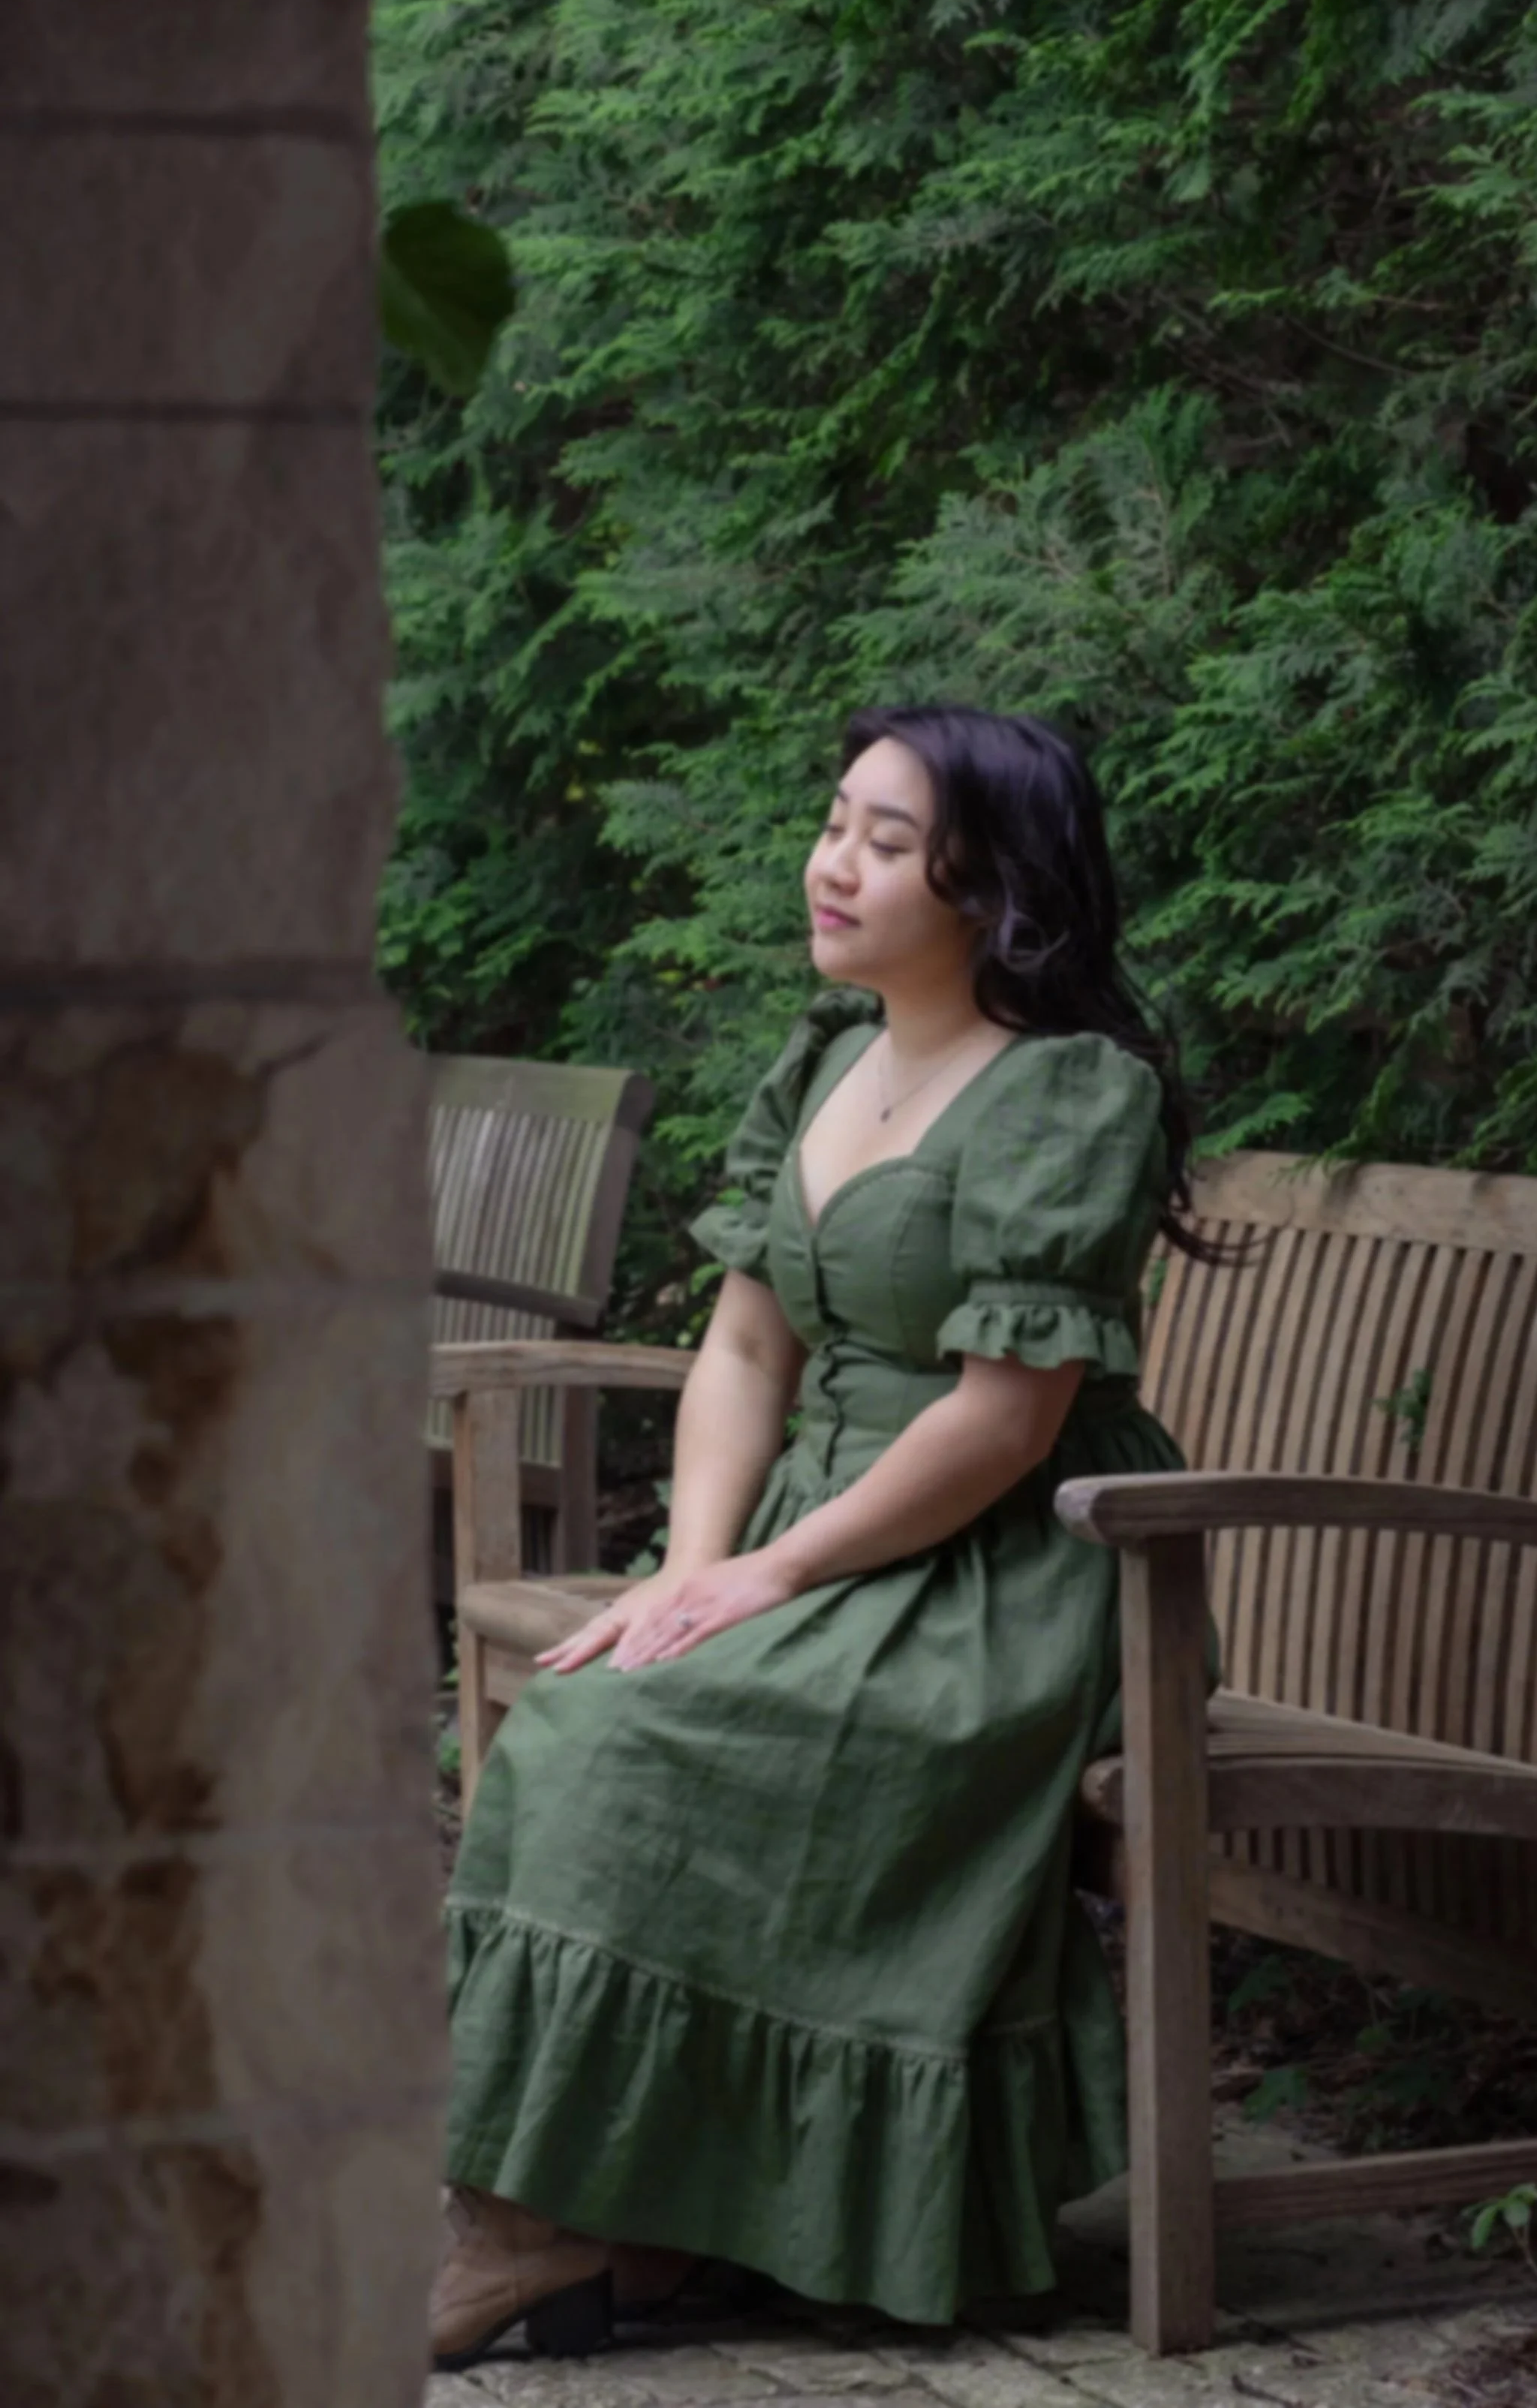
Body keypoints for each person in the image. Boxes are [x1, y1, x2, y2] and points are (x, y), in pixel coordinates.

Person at [432, 706, 1206, 2368]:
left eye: (882, 838)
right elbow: (743, 1349)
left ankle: (535, 2230)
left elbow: (1005, 1422)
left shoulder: (1072, 1095)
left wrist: (769, 1575)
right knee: (598, 1702)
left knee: (625, 1742)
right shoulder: (827, 1057)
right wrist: (689, 1568)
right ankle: (610, 2220)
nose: (830, 863)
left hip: (1004, 1567)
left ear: (990, 884)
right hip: (818, 1528)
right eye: (834, 821)